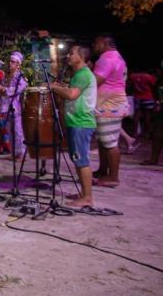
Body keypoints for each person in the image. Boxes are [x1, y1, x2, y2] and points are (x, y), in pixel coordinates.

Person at [51, 45, 97, 207]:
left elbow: (72, 95)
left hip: (81, 123)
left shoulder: (83, 74)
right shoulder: (79, 74)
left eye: (72, 53)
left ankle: (87, 197)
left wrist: (54, 88)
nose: (68, 56)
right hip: (77, 122)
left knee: (81, 160)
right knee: (77, 159)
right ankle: (84, 193)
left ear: (81, 57)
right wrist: (60, 87)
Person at [92, 34, 130, 188]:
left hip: (109, 106)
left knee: (110, 143)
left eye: (96, 43)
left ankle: (113, 177)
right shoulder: (117, 57)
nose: (94, 46)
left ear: (103, 43)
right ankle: (103, 171)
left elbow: (95, 81)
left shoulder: (107, 58)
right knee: (104, 141)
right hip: (110, 104)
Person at [0, 52, 28, 159]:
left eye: (12, 62)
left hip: (14, 106)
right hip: (5, 105)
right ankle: (14, 153)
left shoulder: (20, 76)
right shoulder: (7, 75)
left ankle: (21, 153)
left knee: (17, 130)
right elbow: (4, 88)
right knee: (10, 131)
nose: (10, 63)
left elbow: (20, 88)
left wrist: (4, 89)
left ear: (18, 64)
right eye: (10, 61)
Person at [129, 68, 157, 139]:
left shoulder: (132, 76)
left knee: (136, 115)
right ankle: (146, 133)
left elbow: (130, 86)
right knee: (147, 116)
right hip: (148, 97)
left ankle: (135, 133)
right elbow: (154, 87)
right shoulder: (149, 77)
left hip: (137, 97)